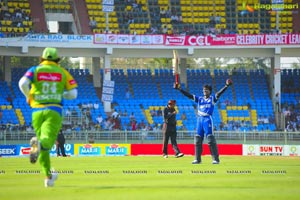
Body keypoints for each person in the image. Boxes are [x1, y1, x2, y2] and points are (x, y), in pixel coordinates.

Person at [18, 47, 78, 187]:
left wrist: (29, 96)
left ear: (42, 58)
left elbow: (22, 83)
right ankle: (39, 146)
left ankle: (49, 176)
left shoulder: (35, 70)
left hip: (36, 110)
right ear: (57, 60)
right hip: (54, 109)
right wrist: (60, 94)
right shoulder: (63, 72)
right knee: (47, 143)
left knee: (42, 147)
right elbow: (73, 94)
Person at [174, 79, 233, 164]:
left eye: (206, 90)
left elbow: (219, 94)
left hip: (207, 119)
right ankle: (197, 159)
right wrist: (180, 89)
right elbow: (189, 95)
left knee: (210, 139)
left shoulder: (212, 98)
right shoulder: (200, 99)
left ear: (210, 91)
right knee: (198, 139)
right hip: (199, 120)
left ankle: (215, 159)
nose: (204, 91)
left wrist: (226, 86)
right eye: (204, 90)